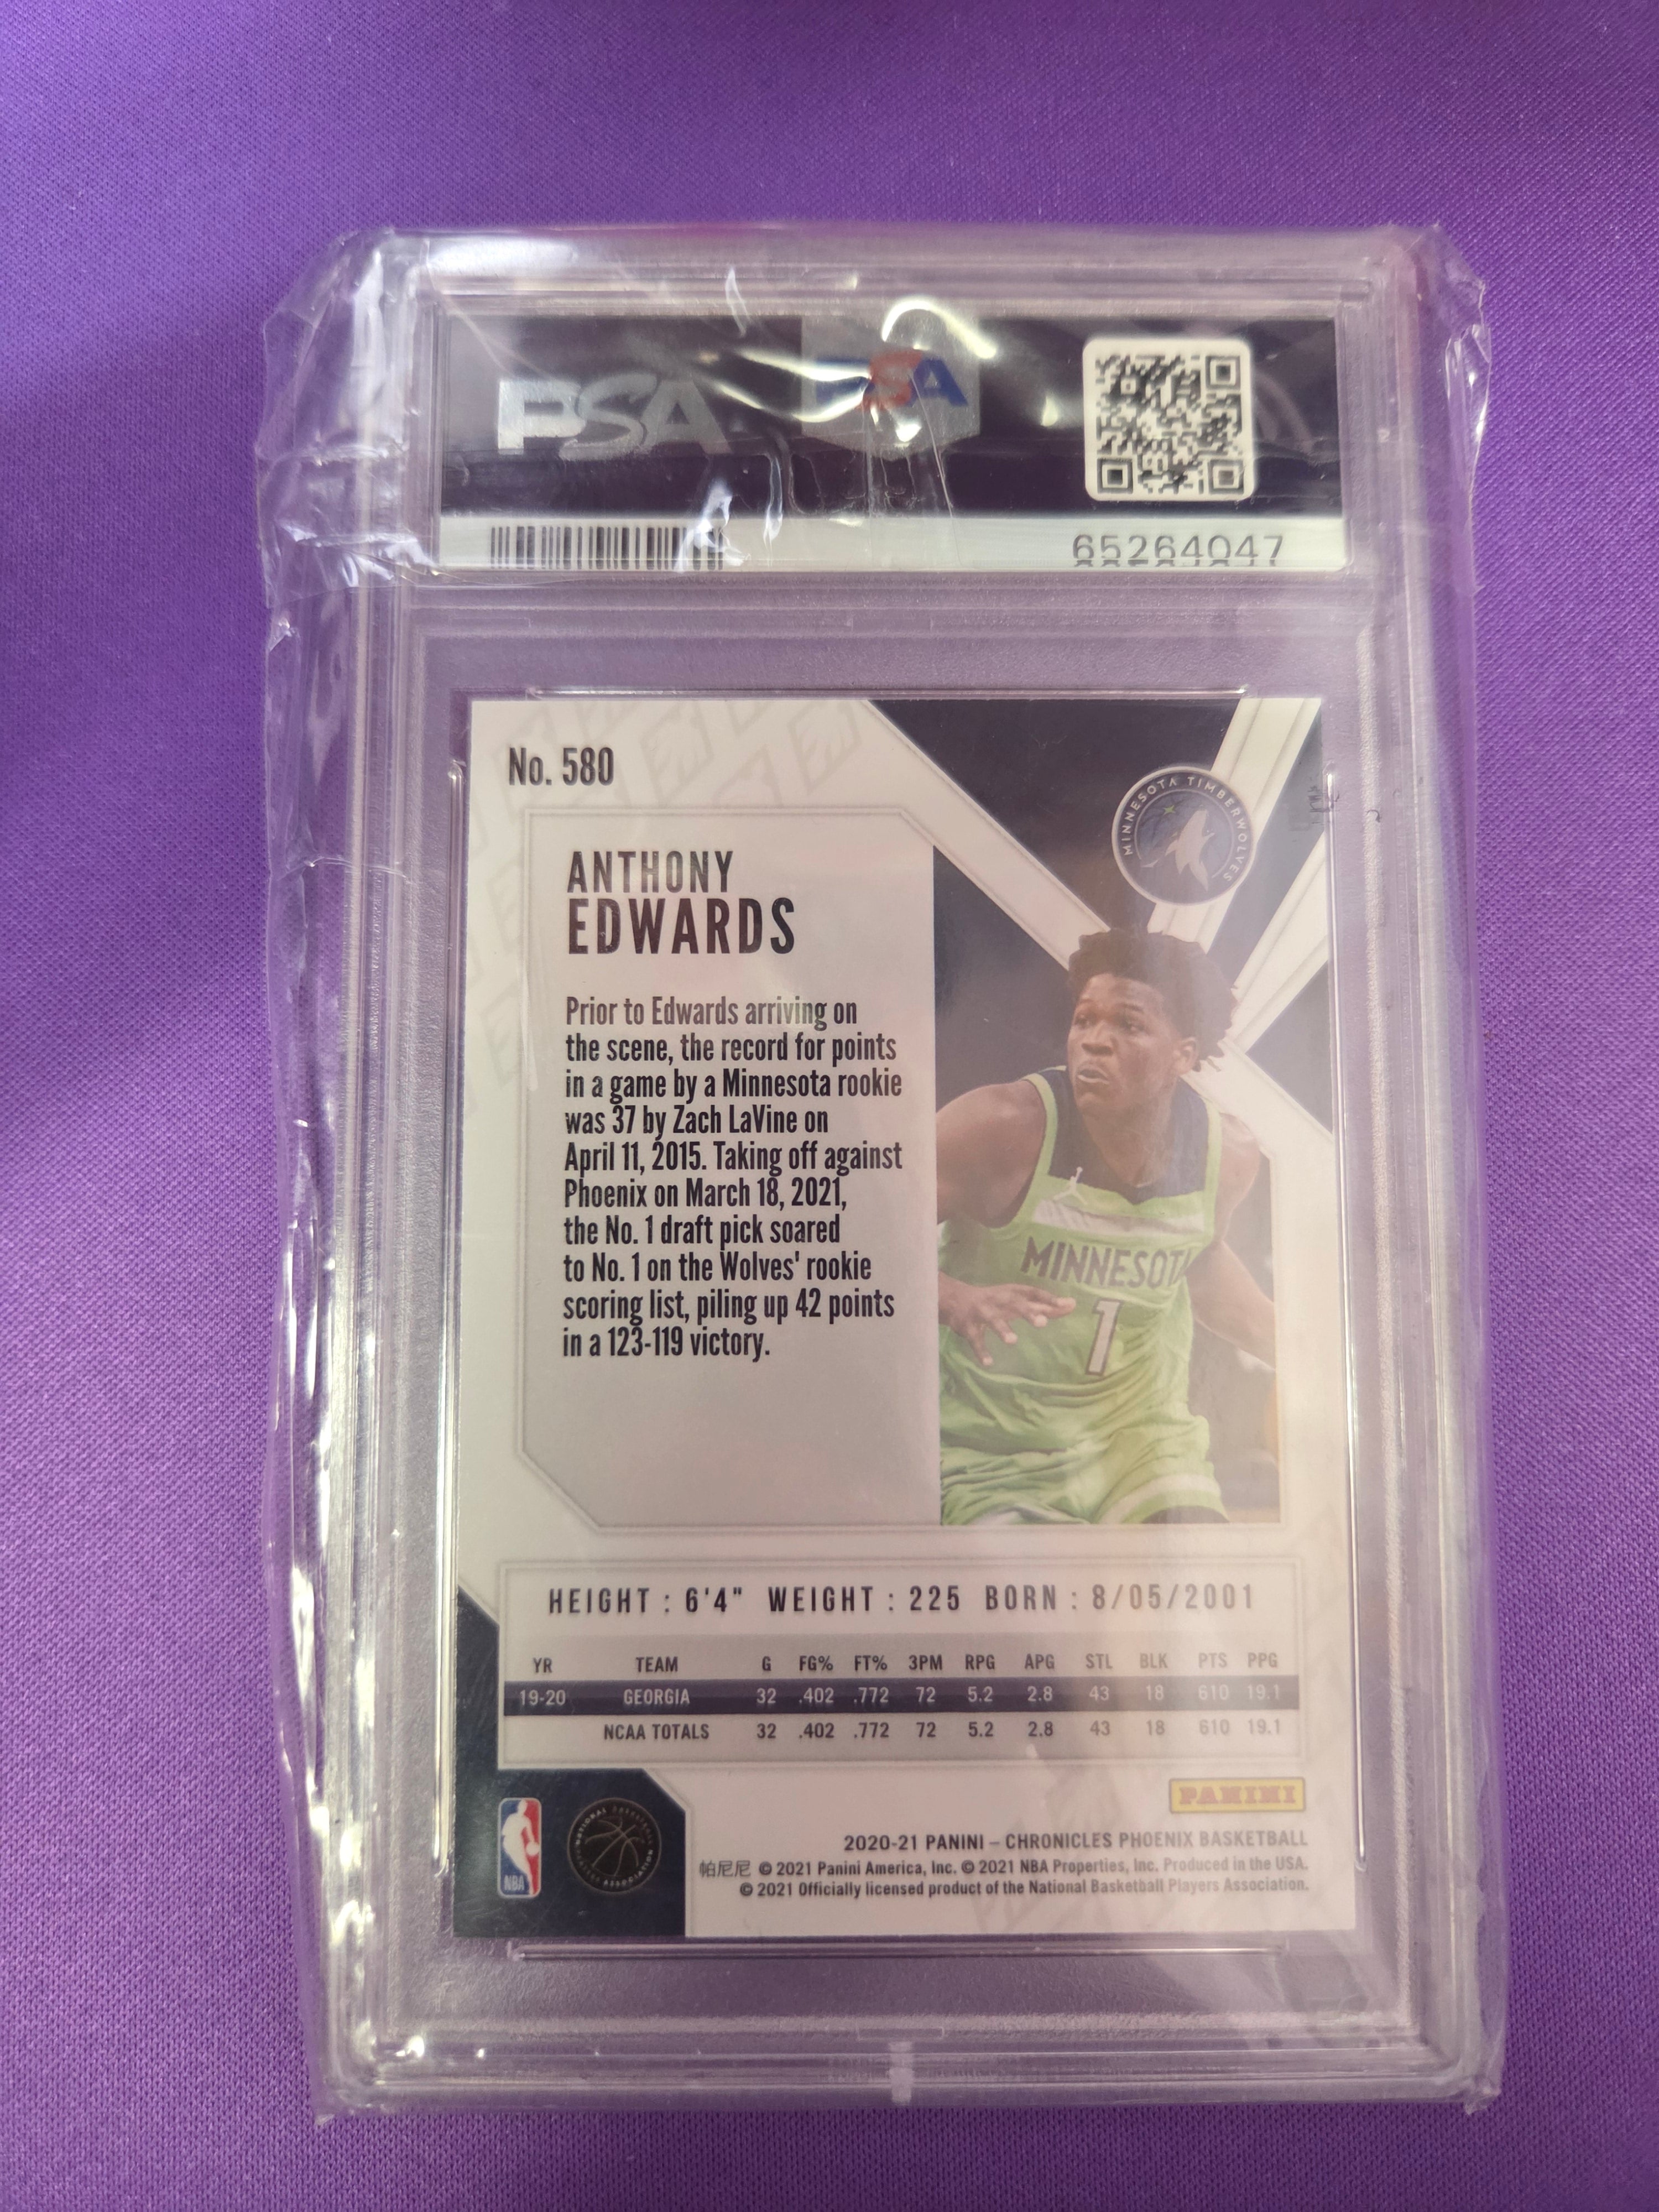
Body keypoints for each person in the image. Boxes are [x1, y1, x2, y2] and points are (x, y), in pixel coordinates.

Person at [937, 927, 1275, 1525]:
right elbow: (857, 1230)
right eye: (1084, 1020)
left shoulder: (1228, 1155)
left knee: (1201, 1573)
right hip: (992, 1448)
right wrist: (952, 1296)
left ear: (1183, 1055)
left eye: (1128, 1025)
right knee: (1036, 1586)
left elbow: (1198, 1260)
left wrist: (1310, 1355)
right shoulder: (1002, 1126)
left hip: (1140, 1445)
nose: (1094, 1040)